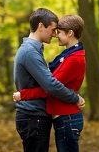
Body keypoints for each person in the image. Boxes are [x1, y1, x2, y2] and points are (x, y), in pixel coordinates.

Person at [13, 8, 85, 152]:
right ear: (40, 26)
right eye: (53, 29)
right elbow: (51, 85)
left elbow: (50, 83)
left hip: (35, 116)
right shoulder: (30, 52)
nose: (55, 34)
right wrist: (74, 98)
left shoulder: (33, 50)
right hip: (33, 116)